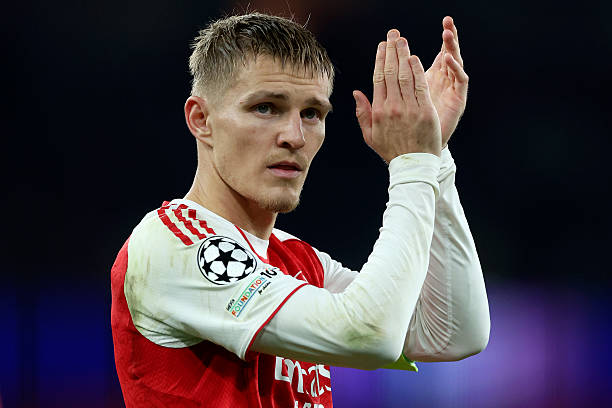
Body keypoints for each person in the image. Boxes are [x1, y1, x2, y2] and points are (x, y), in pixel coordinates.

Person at [111, 12, 490, 408]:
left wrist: (434, 155)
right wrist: (412, 164)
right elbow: (370, 335)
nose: (294, 137)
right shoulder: (172, 244)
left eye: (311, 114)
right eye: (265, 107)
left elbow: (451, 334)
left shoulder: (297, 259)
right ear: (201, 119)